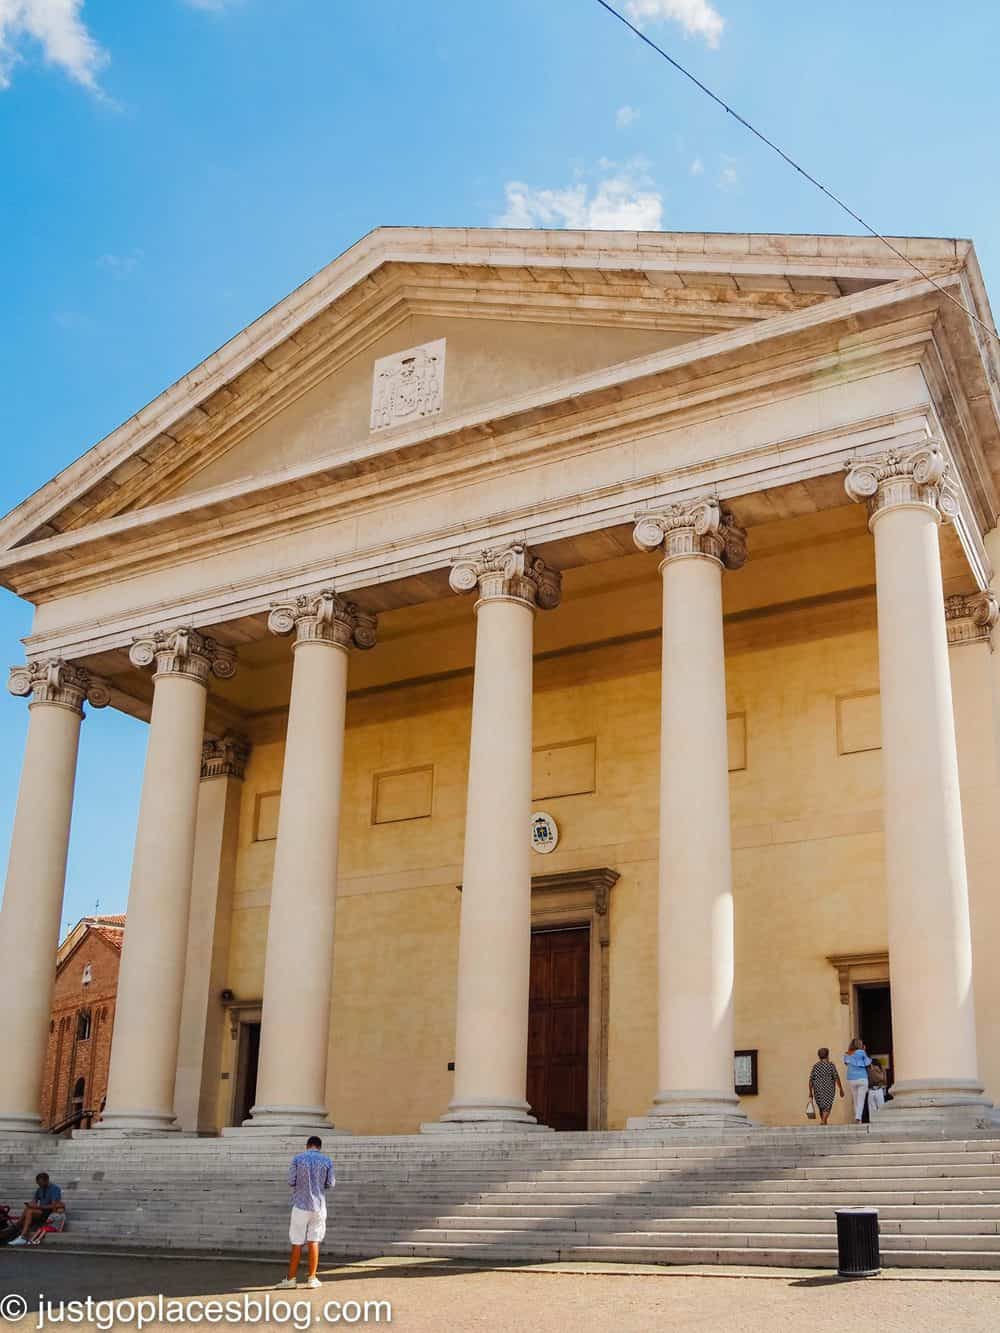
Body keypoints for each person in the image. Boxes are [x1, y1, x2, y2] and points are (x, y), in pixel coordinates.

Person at [276, 1135, 335, 1290]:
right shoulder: (327, 1161)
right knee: (314, 1241)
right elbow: (330, 1183)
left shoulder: (298, 1159)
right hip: (319, 1205)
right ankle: (312, 1278)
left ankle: (291, 1278)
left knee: (297, 1241)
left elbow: (291, 1181)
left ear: (307, 1145)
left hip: (301, 1205)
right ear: (319, 1147)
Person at [7, 1173, 64, 1246]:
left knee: (30, 1211)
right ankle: (18, 1227)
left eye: (41, 1183)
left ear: (47, 1181)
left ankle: (22, 1236)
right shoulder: (40, 1189)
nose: (39, 1185)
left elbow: (54, 1206)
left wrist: (37, 1207)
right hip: (42, 1211)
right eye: (38, 1184)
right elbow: (34, 1201)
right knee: (28, 1208)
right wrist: (31, 1204)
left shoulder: (55, 1189)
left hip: (51, 1213)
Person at [808, 1047, 844, 1125]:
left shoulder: (816, 1066)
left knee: (821, 1107)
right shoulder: (830, 1065)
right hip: (829, 1089)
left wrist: (810, 1092)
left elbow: (810, 1080)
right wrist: (841, 1089)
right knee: (827, 1107)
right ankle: (823, 1121)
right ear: (828, 1055)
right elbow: (836, 1077)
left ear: (819, 1056)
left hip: (817, 1089)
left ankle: (824, 1122)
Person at [843, 1037, 872, 1123]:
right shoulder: (862, 1052)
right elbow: (868, 1062)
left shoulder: (848, 1053)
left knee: (855, 1100)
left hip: (851, 1078)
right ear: (860, 1045)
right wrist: (864, 1051)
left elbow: (845, 1062)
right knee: (861, 1100)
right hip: (862, 1078)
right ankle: (858, 1117)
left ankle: (859, 1120)